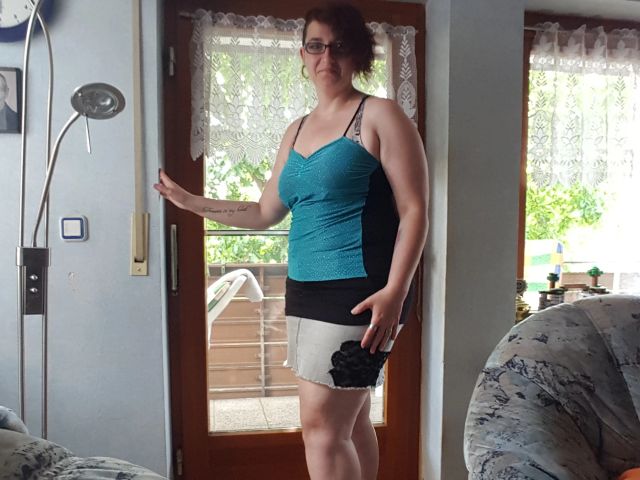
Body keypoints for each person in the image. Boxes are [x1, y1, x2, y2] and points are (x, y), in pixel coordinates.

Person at [154, 2, 429, 478]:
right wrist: (190, 202)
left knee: (321, 429)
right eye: (316, 46)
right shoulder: (296, 130)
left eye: (339, 46)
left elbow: (415, 210)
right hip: (305, 289)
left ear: (358, 53)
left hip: (363, 291)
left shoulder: (380, 115)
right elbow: (265, 212)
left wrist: (396, 291)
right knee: (349, 419)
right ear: (302, 54)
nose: (327, 57)